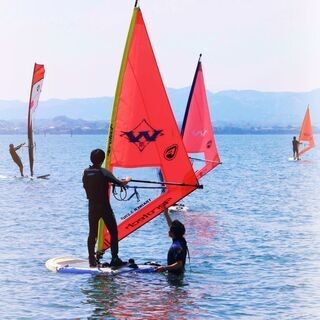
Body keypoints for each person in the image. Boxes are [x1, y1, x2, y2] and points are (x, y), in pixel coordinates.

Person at [82, 149, 131, 267]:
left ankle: (91, 259)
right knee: (113, 231)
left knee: (92, 233)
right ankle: (115, 258)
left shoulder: (86, 172)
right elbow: (120, 183)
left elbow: (88, 185)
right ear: (103, 160)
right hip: (104, 207)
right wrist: (128, 179)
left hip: (92, 206)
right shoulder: (104, 172)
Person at [156, 209, 188, 274]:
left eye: (170, 230)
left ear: (173, 233)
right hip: (179, 274)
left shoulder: (176, 246)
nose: (168, 231)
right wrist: (166, 213)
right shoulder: (181, 239)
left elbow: (179, 264)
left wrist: (164, 268)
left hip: (175, 278)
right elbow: (172, 226)